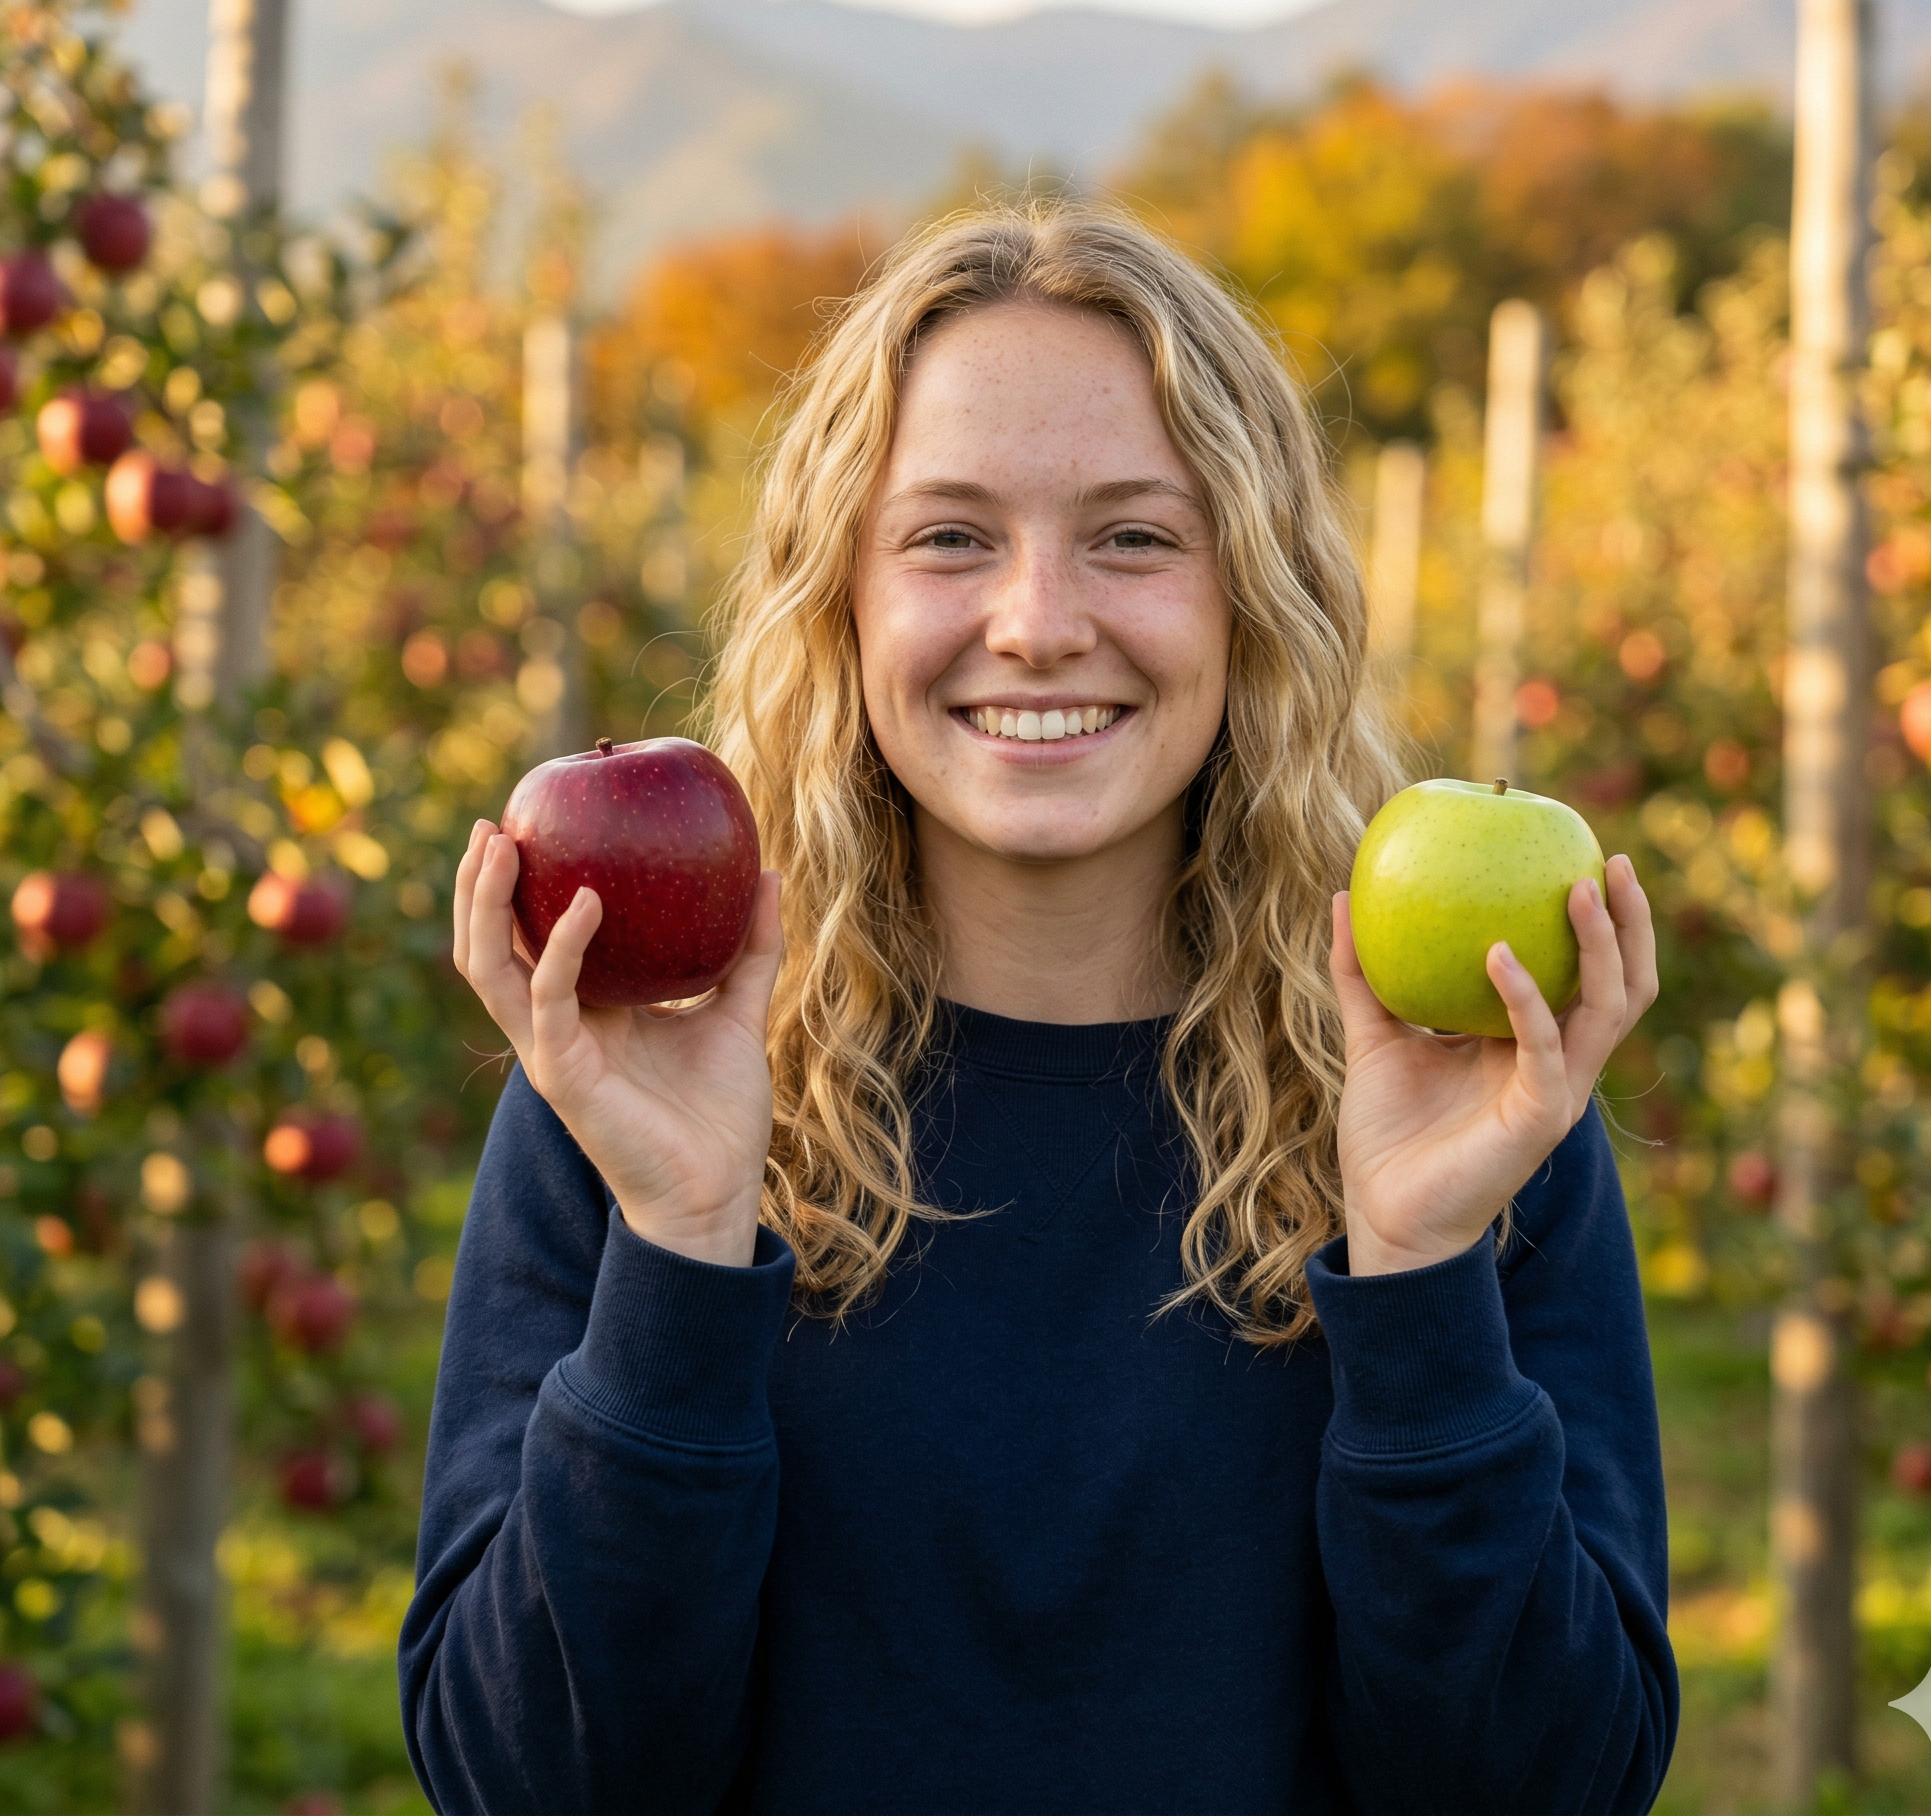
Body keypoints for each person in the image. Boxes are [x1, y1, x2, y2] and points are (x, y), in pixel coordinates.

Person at [399, 206, 1679, 1816]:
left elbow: (1551, 1788)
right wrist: (680, 1245)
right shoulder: (642, 1089)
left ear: (1250, 595)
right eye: (948, 537)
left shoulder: (1466, 1101)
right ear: (841, 598)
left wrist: (1419, 1280)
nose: (1037, 620)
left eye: (1136, 537)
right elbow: (527, 1783)